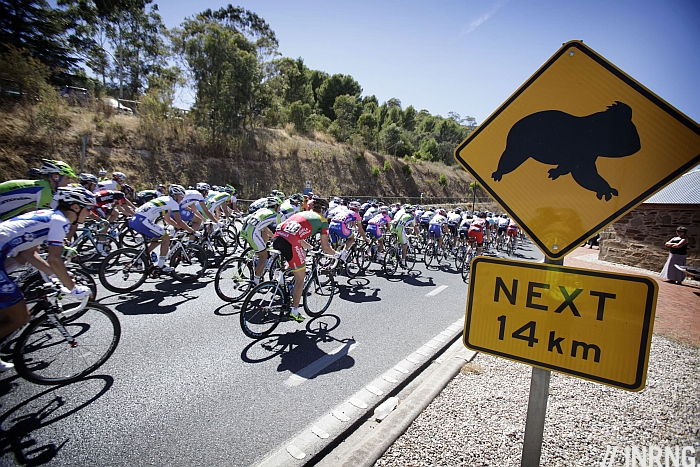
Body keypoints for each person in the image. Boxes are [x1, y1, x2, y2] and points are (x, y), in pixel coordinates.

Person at [0, 187, 95, 371]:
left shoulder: (47, 215)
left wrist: (54, 276)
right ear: (76, 207)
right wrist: (73, 288)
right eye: (88, 208)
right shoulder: (61, 222)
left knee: (6, 313)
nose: (91, 213)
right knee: (20, 316)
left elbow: (29, 253)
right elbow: (54, 258)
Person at [272, 196, 336, 323]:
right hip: (290, 242)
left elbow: (298, 236)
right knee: (301, 278)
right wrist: (337, 255)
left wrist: (311, 247)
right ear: (323, 210)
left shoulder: (303, 212)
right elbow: (325, 247)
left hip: (277, 237)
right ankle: (294, 311)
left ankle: (280, 280)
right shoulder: (323, 220)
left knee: (293, 264)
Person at [128, 184, 198, 273]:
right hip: (143, 221)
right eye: (181, 197)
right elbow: (179, 221)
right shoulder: (173, 203)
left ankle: (139, 259)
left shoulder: (165, 200)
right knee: (166, 238)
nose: (182, 200)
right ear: (176, 195)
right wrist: (192, 231)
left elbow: (168, 219)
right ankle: (161, 266)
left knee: (157, 240)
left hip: (135, 220)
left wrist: (180, 228)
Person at [0, 159, 77, 221]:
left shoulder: (46, 187)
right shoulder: (44, 189)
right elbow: (44, 219)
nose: (69, 182)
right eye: (67, 178)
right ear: (55, 177)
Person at [243, 197, 282, 285]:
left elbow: (264, 227)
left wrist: (272, 235)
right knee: (263, 257)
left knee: (265, 236)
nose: (280, 208)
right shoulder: (275, 214)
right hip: (253, 233)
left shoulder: (263, 210)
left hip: (246, 230)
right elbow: (279, 229)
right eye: (279, 206)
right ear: (275, 206)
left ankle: (256, 260)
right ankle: (256, 282)